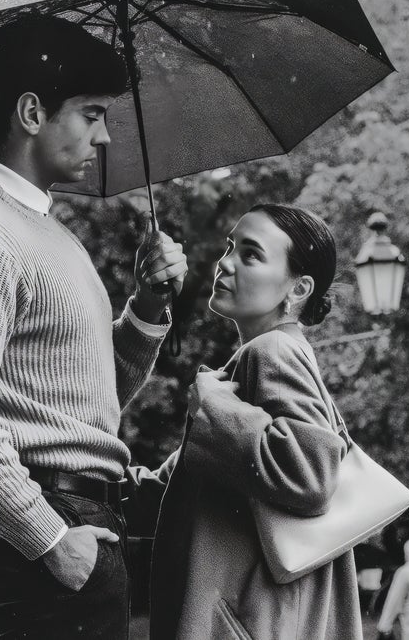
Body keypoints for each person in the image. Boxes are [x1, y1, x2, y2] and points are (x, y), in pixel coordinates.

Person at [0, 15, 188, 639]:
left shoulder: (40, 229)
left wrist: (147, 305)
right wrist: (51, 539)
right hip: (50, 531)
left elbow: (83, 399)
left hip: (81, 521)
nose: (105, 136)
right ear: (32, 113)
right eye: (91, 114)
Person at [149, 204, 362, 640]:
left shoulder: (272, 351)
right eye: (231, 247)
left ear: (298, 288)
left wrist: (213, 406)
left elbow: (311, 475)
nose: (225, 262)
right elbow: (169, 490)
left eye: (250, 254)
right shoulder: (250, 367)